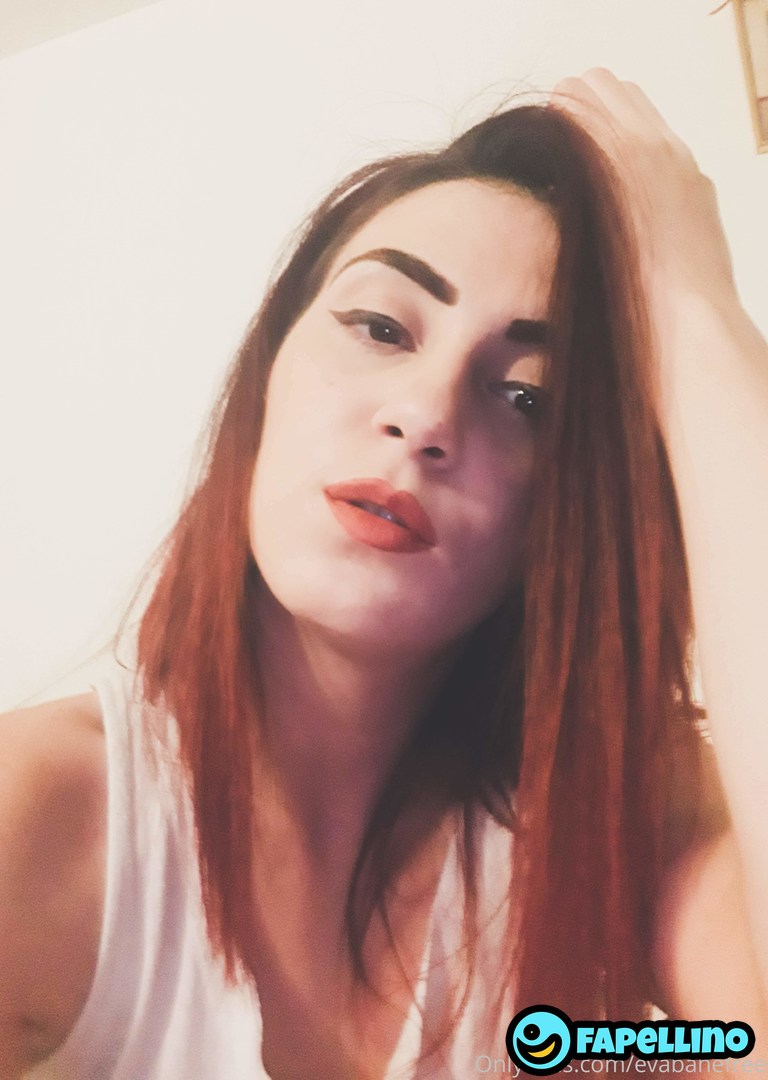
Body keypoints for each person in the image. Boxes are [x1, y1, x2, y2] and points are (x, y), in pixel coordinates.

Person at [2, 68, 767, 1080]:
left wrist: (696, 313)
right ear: (266, 376)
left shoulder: (627, 817)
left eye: (529, 397)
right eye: (380, 327)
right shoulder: (45, 808)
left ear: (563, 514)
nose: (426, 414)